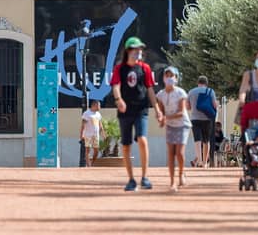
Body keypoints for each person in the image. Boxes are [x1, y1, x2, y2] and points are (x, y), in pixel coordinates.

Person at [111, 36, 160, 191]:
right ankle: (131, 179)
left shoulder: (144, 68)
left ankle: (145, 177)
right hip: (125, 111)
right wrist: (119, 100)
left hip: (141, 109)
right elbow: (116, 85)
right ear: (128, 51)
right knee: (126, 146)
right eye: (135, 49)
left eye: (139, 49)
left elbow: (150, 90)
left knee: (142, 139)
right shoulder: (120, 68)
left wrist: (157, 109)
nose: (138, 52)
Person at [157, 66, 191, 191]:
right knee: (171, 153)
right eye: (167, 75)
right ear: (163, 78)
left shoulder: (180, 93)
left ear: (176, 78)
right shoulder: (160, 94)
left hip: (183, 125)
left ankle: (181, 174)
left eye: (172, 76)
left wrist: (166, 118)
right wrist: (161, 119)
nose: (169, 78)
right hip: (170, 125)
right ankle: (172, 182)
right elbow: (160, 111)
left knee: (179, 152)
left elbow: (181, 112)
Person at [187, 75, 219, 167]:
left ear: (198, 83)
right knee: (206, 140)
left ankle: (199, 160)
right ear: (206, 83)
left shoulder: (191, 92)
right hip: (207, 119)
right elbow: (214, 105)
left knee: (197, 139)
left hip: (195, 118)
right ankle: (205, 162)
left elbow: (188, 107)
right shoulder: (210, 91)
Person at [79, 98, 103, 168]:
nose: (100, 107)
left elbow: (100, 124)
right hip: (88, 135)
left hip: (96, 135)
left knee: (96, 151)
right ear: (94, 105)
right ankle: (89, 166)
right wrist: (81, 135)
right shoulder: (86, 113)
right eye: (99, 106)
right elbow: (82, 125)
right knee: (87, 150)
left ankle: (92, 163)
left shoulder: (98, 114)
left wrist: (103, 133)